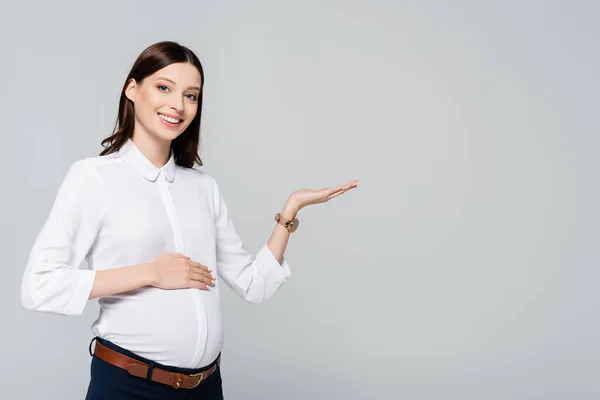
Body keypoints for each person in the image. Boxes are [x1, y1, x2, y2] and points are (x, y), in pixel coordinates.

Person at [20, 41, 358, 399]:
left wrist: (288, 213)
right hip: (128, 387)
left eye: (191, 95)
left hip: (205, 388)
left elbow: (253, 284)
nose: (178, 106)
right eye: (164, 88)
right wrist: (151, 272)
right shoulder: (94, 178)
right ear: (132, 89)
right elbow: (39, 286)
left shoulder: (203, 187)